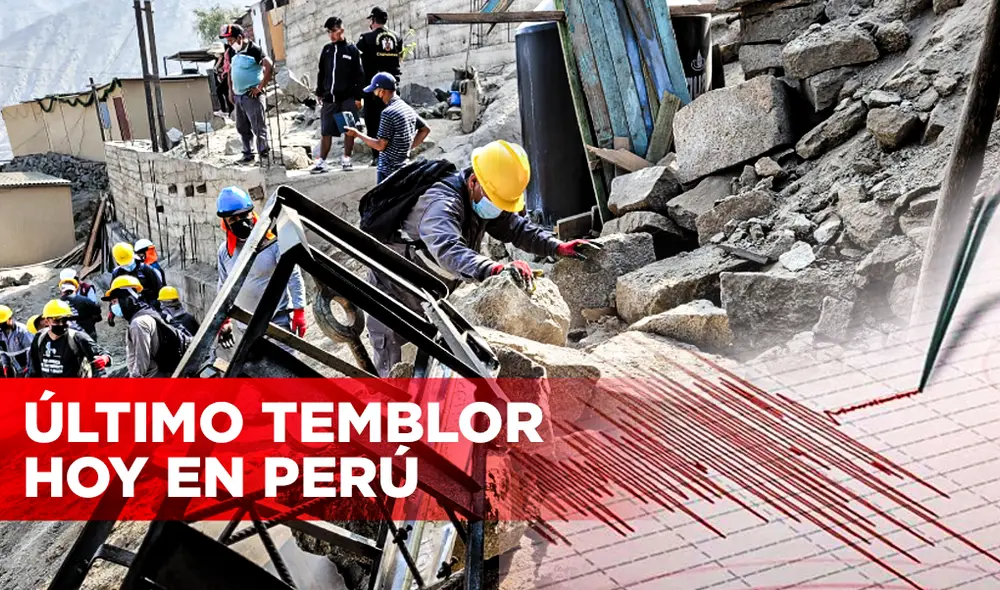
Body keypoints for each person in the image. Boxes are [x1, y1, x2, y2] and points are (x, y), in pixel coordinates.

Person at [364, 140, 601, 376]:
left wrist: (557, 247)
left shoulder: (481, 196)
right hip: (392, 295)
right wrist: (494, 269)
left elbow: (516, 229)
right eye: (495, 202)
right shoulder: (440, 204)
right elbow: (449, 251)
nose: (497, 209)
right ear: (473, 181)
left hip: (430, 294)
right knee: (392, 372)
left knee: (428, 366)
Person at [216, 187, 307, 350]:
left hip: (278, 323)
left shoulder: (272, 243)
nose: (241, 222)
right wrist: (224, 320)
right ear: (226, 223)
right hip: (246, 328)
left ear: (252, 213)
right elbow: (224, 287)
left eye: (244, 215)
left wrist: (299, 310)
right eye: (233, 219)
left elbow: (293, 276)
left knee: (286, 371)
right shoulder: (225, 252)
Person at [347, 73, 429, 184]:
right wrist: (407, 148)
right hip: (403, 169)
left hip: (387, 172)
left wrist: (357, 134)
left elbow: (380, 146)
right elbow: (425, 129)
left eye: (375, 91)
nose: (374, 94)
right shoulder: (406, 108)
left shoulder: (388, 113)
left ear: (382, 91)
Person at [311, 16, 366, 174]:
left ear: (341, 30)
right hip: (329, 99)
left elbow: (359, 76)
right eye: (329, 32)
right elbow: (321, 72)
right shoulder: (327, 50)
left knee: (349, 129)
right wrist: (320, 91)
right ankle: (322, 162)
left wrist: (358, 97)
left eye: (333, 31)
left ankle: (347, 159)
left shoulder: (352, 50)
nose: (331, 34)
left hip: (347, 98)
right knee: (326, 131)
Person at [104, 276, 183, 378]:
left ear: (125, 300)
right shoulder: (146, 312)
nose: (112, 307)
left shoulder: (138, 323)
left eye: (114, 302)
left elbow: (142, 362)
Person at [220, 23, 274, 165]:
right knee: (242, 127)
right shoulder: (232, 52)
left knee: (258, 126)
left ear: (239, 38)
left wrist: (260, 87)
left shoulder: (254, 49)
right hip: (238, 96)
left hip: (252, 95)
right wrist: (231, 91)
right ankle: (247, 154)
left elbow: (269, 65)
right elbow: (231, 71)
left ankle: (263, 152)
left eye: (231, 40)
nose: (229, 43)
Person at [357, 6, 402, 167]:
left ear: (373, 20)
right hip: (393, 86)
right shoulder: (396, 37)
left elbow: (357, 60)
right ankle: (395, 154)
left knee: (373, 121)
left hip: (375, 88)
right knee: (395, 120)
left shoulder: (366, 38)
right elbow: (399, 58)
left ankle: (377, 156)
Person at [28, 299, 111, 378]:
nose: (61, 324)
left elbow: (102, 355)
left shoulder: (77, 337)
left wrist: (105, 358)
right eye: (56, 321)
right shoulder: (40, 338)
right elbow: (34, 368)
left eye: (64, 320)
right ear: (46, 321)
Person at [111, 242, 164, 311]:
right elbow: (114, 295)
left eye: (129, 262)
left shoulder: (145, 269)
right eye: (124, 264)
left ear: (133, 256)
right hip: (131, 311)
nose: (127, 266)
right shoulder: (117, 274)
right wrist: (112, 310)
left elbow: (159, 289)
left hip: (152, 308)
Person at [0, 305, 33, 378]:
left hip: (26, 366)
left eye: (2, 323)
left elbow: (31, 352)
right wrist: (6, 366)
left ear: (9, 319)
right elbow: (2, 352)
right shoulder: (1, 333)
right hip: (15, 367)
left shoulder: (22, 331)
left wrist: (29, 369)